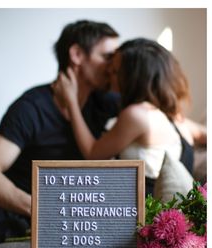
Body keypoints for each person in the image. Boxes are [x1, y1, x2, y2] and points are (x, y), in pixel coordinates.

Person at [0, 20, 120, 248]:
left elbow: (153, 114)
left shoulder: (106, 102)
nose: (112, 66)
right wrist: (40, 209)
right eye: (107, 57)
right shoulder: (31, 107)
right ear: (76, 54)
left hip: (77, 222)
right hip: (19, 217)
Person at [54, 38, 206, 196]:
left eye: (115, 71)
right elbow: (203, 133)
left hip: (145, 213)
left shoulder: (137, 114)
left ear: (134, 77)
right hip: (176, 216)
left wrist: (71, 101)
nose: (109, 75)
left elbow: (92, 153)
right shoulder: (174, 118)